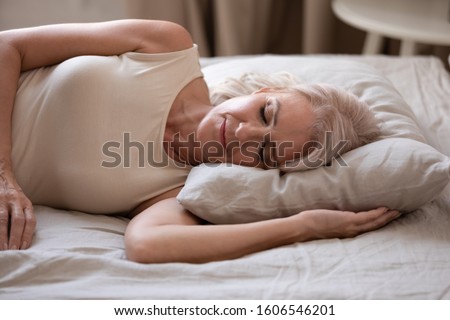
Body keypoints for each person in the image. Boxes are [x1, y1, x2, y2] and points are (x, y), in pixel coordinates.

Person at [0, 19, 400, 263]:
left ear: (264, 172)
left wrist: (303, 226)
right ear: (263, 89)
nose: (244, 133)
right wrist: (4, 174)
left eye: (264, 151)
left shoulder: (175, 194)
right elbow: (8, 44)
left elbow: (147, 246)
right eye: (266, 113)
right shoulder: (166, 47)